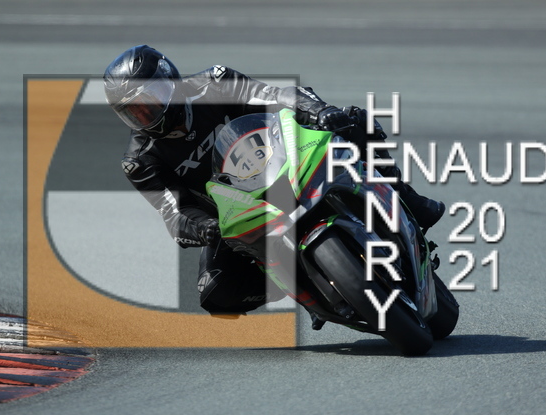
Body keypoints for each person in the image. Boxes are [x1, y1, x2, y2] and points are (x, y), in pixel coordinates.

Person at [103, 45, 444, 320]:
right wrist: (204, 228)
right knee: (216, 294)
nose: (147, 114)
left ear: (171, 80)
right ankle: (296, 282)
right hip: (236, 214)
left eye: (151, 100)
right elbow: (173, 212)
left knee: (352, 120)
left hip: (283, 161)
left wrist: (318, 111)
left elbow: (273, 96)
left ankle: (406, 199)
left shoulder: (214, 82)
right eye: (135, 112)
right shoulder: (140, 160)